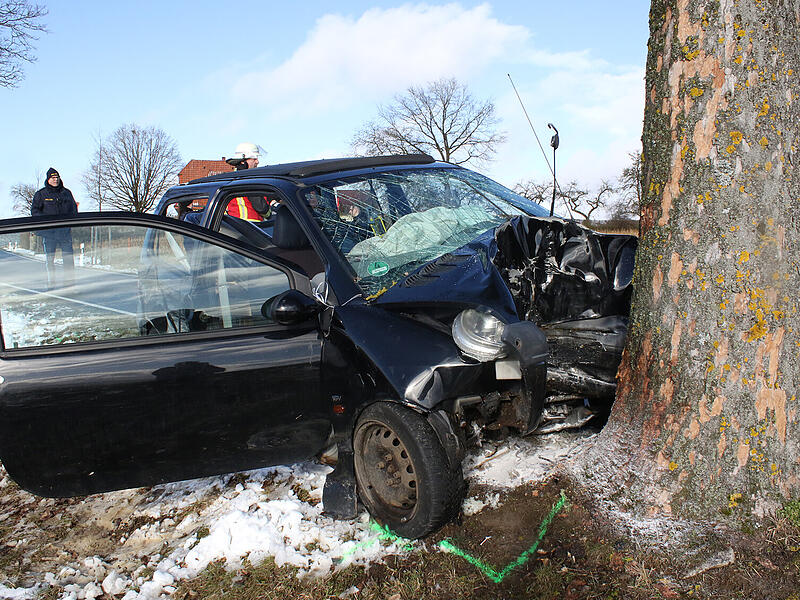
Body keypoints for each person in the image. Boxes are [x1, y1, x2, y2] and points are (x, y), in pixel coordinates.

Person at [31, 168, 78, 289]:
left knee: (68, 259)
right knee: (50, 260)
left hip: (64, 233)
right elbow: (35, 212)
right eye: (53, 178)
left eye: (57, 177)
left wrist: (70, 222)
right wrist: (46, 222)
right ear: (48, 179)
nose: (55, 180)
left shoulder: (66, 193)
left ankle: (69, 284)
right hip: (49, 233)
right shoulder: (41, 194)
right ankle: (51, 284)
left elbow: (74, 210)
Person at [224, 142, 272, 221]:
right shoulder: (248, 179)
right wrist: (270, 213)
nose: (257, 162)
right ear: (243, 161)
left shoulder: (231, 178)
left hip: (235, 227)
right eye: (254, 159)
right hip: (251, 228)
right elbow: (261, 208)